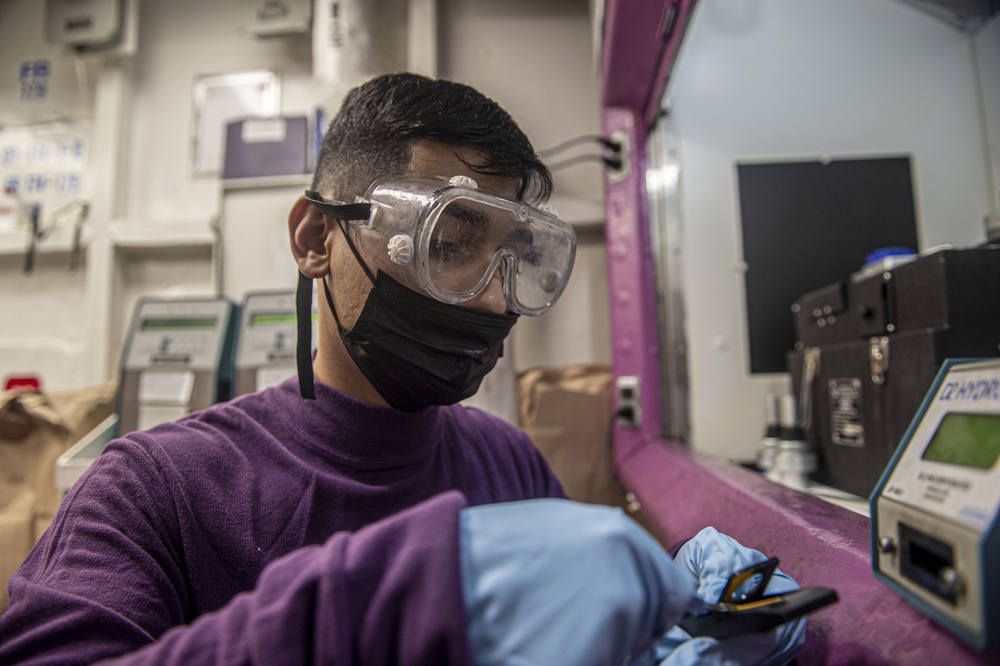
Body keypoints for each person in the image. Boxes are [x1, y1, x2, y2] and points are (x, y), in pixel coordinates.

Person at [0, 73, 803, 666]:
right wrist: (377, 610)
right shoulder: (156, 487)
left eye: (511, 259)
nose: (492, 304)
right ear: (317, 238)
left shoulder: (507, 459)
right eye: (450, 247)